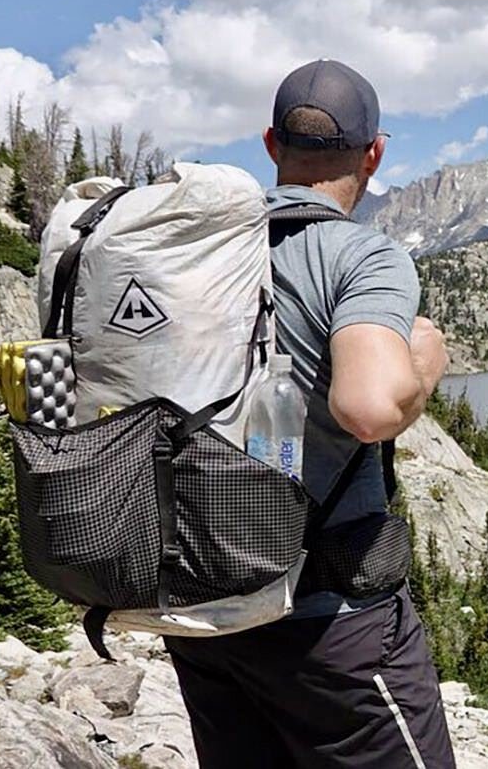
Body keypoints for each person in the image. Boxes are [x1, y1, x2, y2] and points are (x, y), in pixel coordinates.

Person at [164, 59, 457, 768]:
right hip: (329, 627)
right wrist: (425, 364)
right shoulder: (360, 253)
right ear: (374, 153)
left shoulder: (195, 255)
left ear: (271, 145)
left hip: (201, 606)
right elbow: (367, 406)